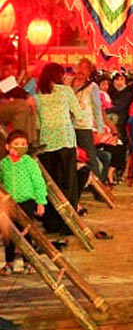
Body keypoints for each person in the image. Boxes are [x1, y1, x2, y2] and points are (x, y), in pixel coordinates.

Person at [33, 63, 90, 232]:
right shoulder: (65, 91)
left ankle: (51, 223)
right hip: (65, 141)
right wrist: (80, 111)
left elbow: (37, 123)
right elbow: (79, 116)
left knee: (51, 184)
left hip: (46, 144)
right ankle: (67, 224)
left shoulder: (38, 95)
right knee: (68, 183)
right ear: (58, 75)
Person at [0, 130, 47, 274]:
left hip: (27, 201)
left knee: (26, 232)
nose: (19, 147)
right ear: (8, 147)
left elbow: (38, 182)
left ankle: (28, 262)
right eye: (16, 144)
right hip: (9, 203)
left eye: (23, 144)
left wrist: (40, 201)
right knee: (8, 233)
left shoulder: (29, 163)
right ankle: (9, 263)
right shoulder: (3, 164)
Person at [72, 59, 103, 179]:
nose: (81, 70)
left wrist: (100, 128)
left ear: (90, 72)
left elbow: (97, 108)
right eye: (80, 66)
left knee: (90, 156)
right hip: (67, 126)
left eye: (85, 68)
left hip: (83, 126)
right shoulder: (68, 83)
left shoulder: (92, 87)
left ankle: (98, 186)